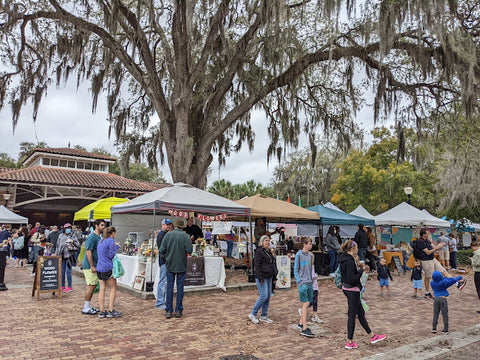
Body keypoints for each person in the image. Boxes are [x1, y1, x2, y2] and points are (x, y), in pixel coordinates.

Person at [339, 240, 386, 350]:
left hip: (347, 288)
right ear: (352, 249)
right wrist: (361, 271)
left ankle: (372, 336)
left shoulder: (344, 258)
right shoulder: (349, 261)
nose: (357, 249)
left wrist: (359, 268)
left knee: (361, 313)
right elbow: (352, 278)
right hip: (352, 290)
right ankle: (349, 341)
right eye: (356, 247)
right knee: (352, 315)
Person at [415, 229, 465, 299]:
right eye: (427, 233)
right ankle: (427, 292)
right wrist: (437, 247)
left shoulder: (428, 240)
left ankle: (457, 283)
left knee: (443, 270)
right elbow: (428, 252)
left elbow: (434, 247)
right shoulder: (420, 242)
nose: (429, 234)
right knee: (428, 276)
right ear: (423, 234)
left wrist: (438, 246)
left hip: (432, 259)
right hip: (426, 260)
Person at [159, 219, 193, 319]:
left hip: (170, 265)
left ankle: (168, 310)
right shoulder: (185, 236)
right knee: (180, 288)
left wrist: (166, 259)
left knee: (169, 287)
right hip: (181, 265)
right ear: (182, 227)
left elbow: (161, 251)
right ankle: (178, 310)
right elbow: (190, 250)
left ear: (174, 226)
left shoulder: (168, 235)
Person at [249, 235, 275, 325]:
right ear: (262, 241)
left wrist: (274, 276)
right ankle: (253, 313)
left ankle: (264, 315)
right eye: (266, 241)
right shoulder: (259, 252)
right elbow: (257, 266)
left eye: (268, 241)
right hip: (262, 277)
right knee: (263, 296)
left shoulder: (268, 251)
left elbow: (272, 264)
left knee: (267, 297)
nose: (267, 242)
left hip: (269, 277)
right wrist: (260, 278)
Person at [81, 219, 106, 315]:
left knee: (92, 285)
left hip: (95, 264)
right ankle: (86, 307)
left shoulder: (98, 237)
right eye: (102, 225)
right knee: (91, 286)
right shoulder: (92, 237)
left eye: (104, 225)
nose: (103, 227)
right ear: (96, 226)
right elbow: (88, 251)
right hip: (90, 265)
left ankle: (87, 306)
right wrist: (92, 266)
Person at [96, 226, 122, 318]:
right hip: (107, 267)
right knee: (113, 288)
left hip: (99, 267)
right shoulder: (110, 241)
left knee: (102, 289)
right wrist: (116, 247)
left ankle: (102, 310)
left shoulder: (101, 240)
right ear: (113, 233)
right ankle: (111, 309)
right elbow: (111, 255)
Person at [295, 238, 315, 337]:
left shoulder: (310, 256)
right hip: (302, 283)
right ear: (305, 244)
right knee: (306, 303)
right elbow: (296, 270)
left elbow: (310, 269)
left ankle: (301, 322)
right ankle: (304, 328)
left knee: (309, 302)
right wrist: (299, 281)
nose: (311, 246)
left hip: (309, 282)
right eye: (310, 244)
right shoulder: (299, 255)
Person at [55, 223, 79, 293]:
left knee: (68, 271)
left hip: (69, 255)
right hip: (62, 255)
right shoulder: (60, 235)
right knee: (62, 271)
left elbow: (78, 244)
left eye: (70, 228)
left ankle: (69, 286)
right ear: (64, 229)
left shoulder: (73, 235)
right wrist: (57, 254)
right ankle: (62, 285)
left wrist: (72, 241)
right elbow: (58, 245)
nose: (68, 229)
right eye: (67, 228)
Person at [155, 218, 173, 310]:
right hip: (164, 261)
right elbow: (162, 249)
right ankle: (160, 302)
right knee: (162, 282)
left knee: (165, 282)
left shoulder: (165, 234)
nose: (168, 226)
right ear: (163, 225)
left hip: (166, 261)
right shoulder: (161, 235)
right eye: (167, 224)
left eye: (169, 225)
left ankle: (163, 300)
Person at [469, 241, 480, 314]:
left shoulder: (477, 253)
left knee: (479, 289)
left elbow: (477, 264)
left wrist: (472, 260)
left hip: (478, 272)